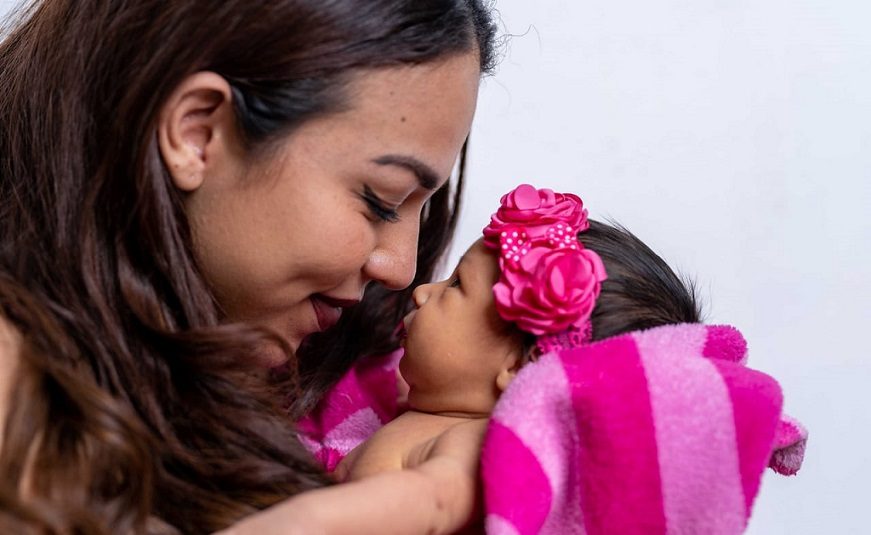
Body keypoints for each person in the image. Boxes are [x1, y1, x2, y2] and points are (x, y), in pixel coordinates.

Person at [0, 1, 499, 533]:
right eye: (380, 199)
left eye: (424, 208)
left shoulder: (356, 377)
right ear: (198, 132)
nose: (402, 270)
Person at [257, 184, 700, 533]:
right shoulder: (407, 404)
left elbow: (434, 501)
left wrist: (303, 522)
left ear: (518, 367)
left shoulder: (477, 445)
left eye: (455, 288)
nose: (422, 291)